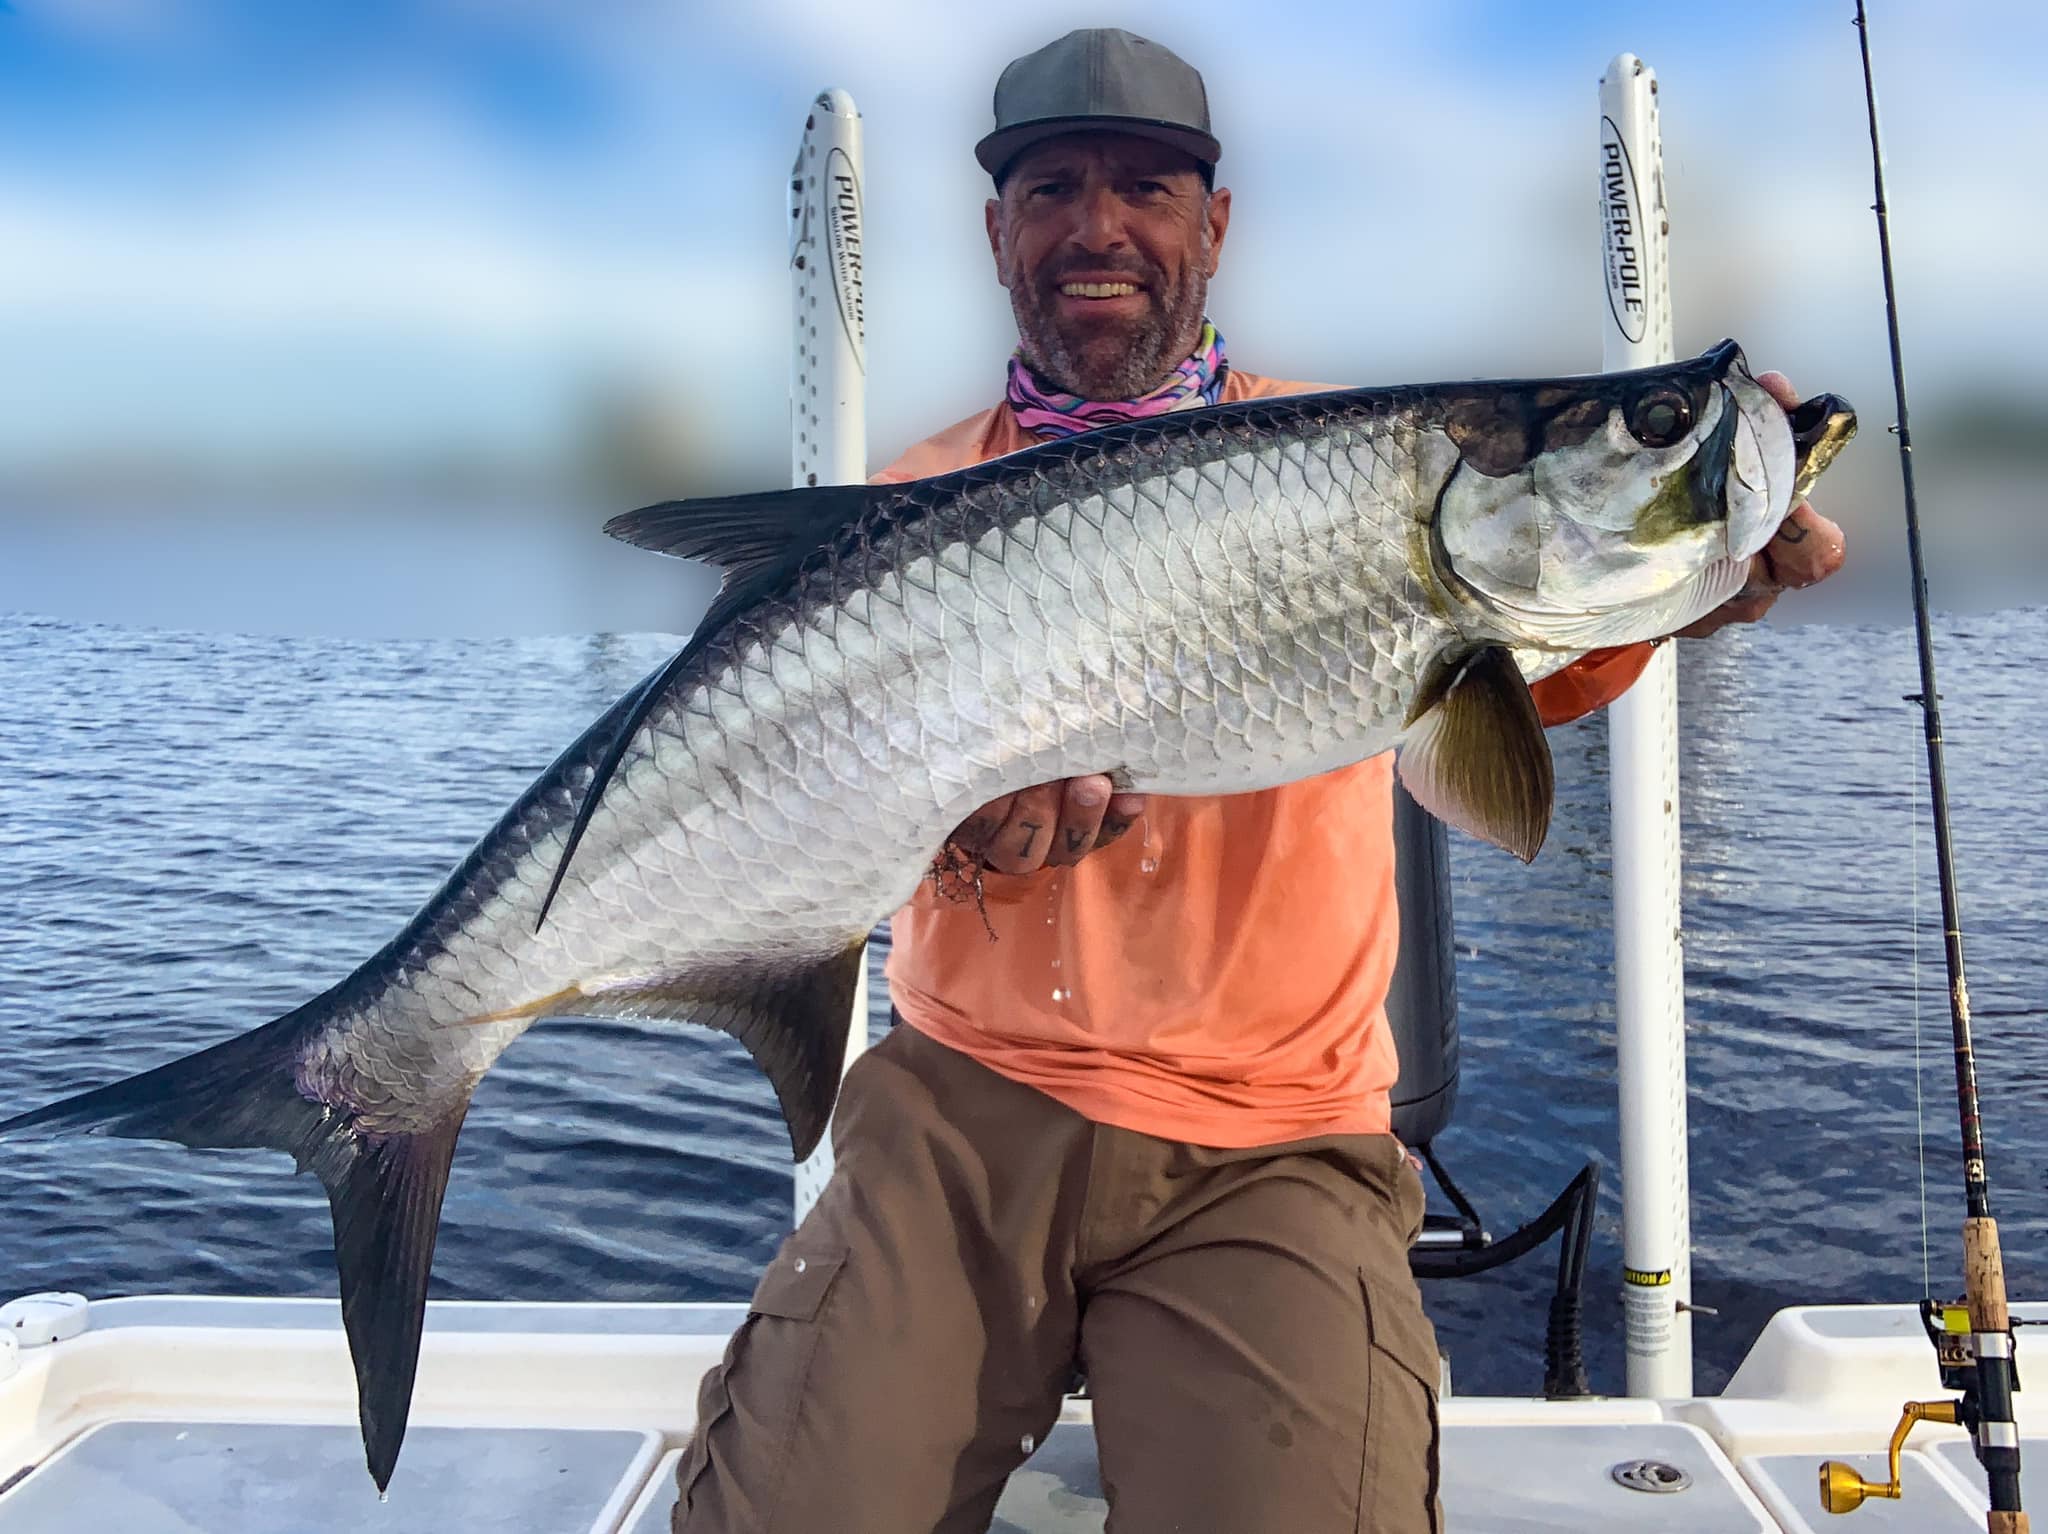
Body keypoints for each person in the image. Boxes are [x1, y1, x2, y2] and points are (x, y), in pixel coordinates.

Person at [672, 27, 1845, 1534]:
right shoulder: (905, 509)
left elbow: (1538, 662)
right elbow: (816, 814)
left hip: (1276, 1136)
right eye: (1053, 189)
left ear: (1213, 227)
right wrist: (959, 840)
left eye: (1148, 188)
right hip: (962, 1113)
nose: (1100, 227)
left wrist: (1694, 579)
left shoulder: (1369, 460)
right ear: (995, 233)